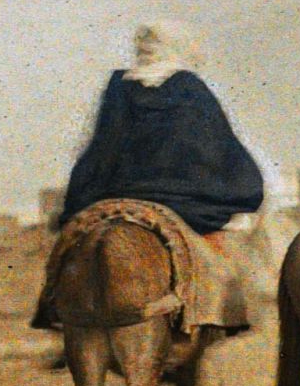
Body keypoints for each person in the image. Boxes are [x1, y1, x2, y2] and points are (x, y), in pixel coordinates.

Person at [59, 20, 265, 237]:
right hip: (189, 201)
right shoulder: (189, 85)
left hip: (117, 192)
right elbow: (217, 148)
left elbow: (102, 148)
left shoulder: (118, 84)